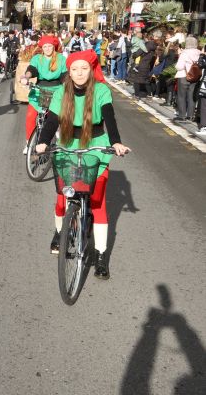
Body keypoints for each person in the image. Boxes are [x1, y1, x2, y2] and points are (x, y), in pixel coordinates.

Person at [35, 50, 131, 279]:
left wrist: (116, 142)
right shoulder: (61, 92)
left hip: (96, 145)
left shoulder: (101, 90)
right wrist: (42, 142)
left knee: (97, 203)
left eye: (84, 68)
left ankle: (100, 255)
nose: (79, 73)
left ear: (91, 70)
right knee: (63, 197)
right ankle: (60, 231)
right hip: (68, 144)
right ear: (69, 72)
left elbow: (110, 118)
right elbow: (52, 120)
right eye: (74, 69)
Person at [20, 35, 67, 151]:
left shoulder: (61, 58)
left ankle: (59, 139)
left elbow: (64, 75)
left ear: (54, 47)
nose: (47, 49)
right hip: (39, 89)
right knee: (31, 115)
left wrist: (67, 84)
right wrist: (26, 77)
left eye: (49, 46)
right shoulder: (37, 58)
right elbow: (31, 70)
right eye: (45, 46)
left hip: (57, 90)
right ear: (42, 48)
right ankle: (29, 143)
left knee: (57, 117)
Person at [173, 35, 202, 122]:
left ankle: (182, 116)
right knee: (191, 96)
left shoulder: (184, 53)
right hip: (195, 77)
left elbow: (179, 66)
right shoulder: (199, 53)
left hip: (184, 76)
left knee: (181, 96)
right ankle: (190, 116)